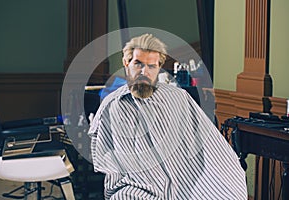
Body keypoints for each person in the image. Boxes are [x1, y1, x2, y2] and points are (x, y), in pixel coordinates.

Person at [89, 33, 247, 199]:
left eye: (151, 66)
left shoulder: (178, 97)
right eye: (138, 64)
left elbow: (209, 143)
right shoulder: (112, 105)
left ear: (159, 67)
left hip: (185, 179)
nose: (144, 72)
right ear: (126, 63)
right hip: (136, 185)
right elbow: (106, 157)